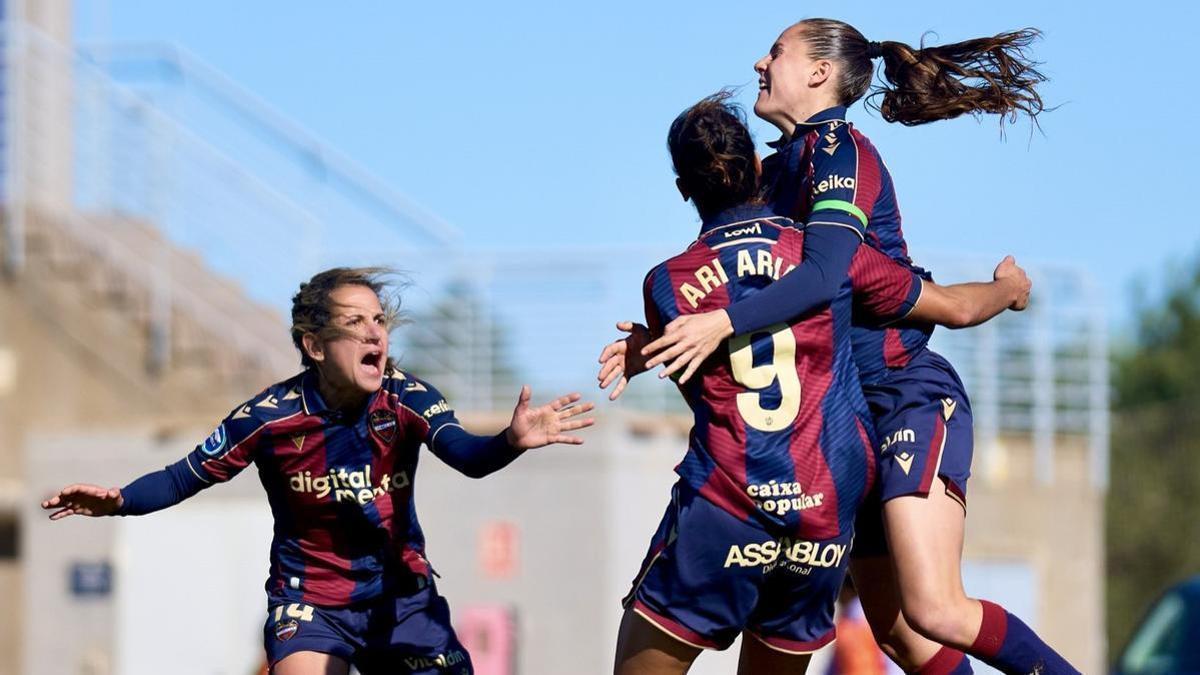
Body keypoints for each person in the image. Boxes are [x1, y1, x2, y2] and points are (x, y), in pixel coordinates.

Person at [630, 19, 1077, 675]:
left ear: (818, 73)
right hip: (839, 430)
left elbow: (843, 280)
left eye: (776, 51)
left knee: (936, 610)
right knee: (901, 635)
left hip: (904, 399)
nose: (760, 61)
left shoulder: (839, 154)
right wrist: (661, 343)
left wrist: (1003, 289)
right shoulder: (778, 175)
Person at [41, 267, 595, 675]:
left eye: (380, 321)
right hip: (312, 603)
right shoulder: (270, 417)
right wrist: (118, 500)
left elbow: (465, 456)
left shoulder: (407, 398)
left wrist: (510, 441)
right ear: (315, 345)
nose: (375, 334)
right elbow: (184, 475)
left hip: (403, 597)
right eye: (355, 323)